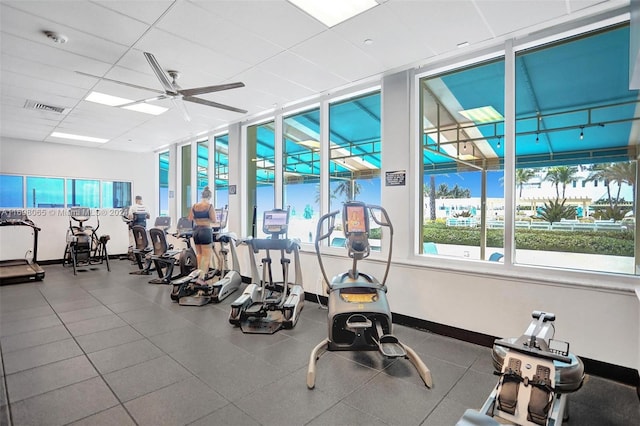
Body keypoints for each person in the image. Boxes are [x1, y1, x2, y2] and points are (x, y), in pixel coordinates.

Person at [188, 186, 217, 279]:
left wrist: (199, 218)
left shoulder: (195, 206)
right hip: (205, 231)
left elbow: (190, 218)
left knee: (199, 254)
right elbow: (214, 219)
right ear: (209, 197)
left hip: (196, 231)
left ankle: (198, 276)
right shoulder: (209, 206)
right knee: (206, 256)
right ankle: (202, 277)